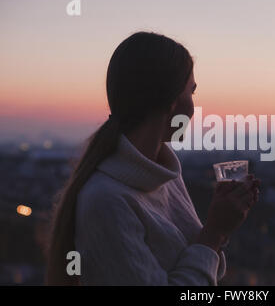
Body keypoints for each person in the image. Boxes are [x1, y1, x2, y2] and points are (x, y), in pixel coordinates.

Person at [46, 31, 260, 285]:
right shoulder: (106, 201)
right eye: (191, 92)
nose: (193, 107)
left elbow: (194, 266)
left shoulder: (164, 175)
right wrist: (215, 232)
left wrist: (220, 225)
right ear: (171, 101)